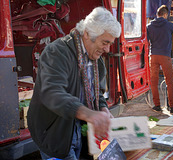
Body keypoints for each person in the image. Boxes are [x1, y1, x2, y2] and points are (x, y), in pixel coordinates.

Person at [27, 7, 121, 159]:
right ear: (88, 34)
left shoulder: (95, 57)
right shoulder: (56, 52)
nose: (107, 49)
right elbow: (52, 93)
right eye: (105, 42)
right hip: (55, 133)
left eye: (110, 43)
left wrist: (102, 108)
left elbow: (96, 93)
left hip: (81, 130)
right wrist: (89, 114)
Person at [146, 5, 173, 113]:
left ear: (157, 14)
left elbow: (146, 41)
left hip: (153, 56)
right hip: (165, 56)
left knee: (154, 82)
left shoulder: (149, 26)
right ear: (165, 15)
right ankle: (172, 107)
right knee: (169, 82)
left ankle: (157, 105)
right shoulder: (169, 25)